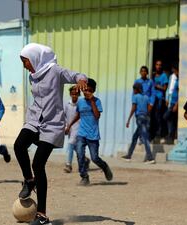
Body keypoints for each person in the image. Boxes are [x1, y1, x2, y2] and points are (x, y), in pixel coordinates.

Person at [14, 43, 87, 225]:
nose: (25, 66)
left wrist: (82, 79)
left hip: (52, 124)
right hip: (34, 120)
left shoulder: (55, 71)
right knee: (19, 145)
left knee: (38, 164)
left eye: (26, 61)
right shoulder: (33, 76)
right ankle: (29, 181)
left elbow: (75, 75)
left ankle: (42, 215)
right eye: (23, 62)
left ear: (36, 58)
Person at [67, 78, 113, 186]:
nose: (86, 92)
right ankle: (84, 177)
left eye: (89, 90)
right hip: (81, 133)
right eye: (85, 90)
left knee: (94, 158)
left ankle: (104, 167)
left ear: (93, 91)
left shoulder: (97, 101)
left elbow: (97, 116)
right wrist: (69, 125)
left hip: (93, 134)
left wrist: (92, 101)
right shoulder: (80, 102)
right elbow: (78, 114)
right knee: (79, 154)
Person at [121, 83, 155, 164]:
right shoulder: (146, 97)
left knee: (144, 138)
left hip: (140, 118)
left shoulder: (135, 97)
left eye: (134, 89)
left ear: (136, 89)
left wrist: (128, 119)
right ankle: (129, 155)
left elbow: (133, 108)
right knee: (135, 137)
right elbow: (149, 108)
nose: (133, 91)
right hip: (146, 118)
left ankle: (150, 158)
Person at [63, 86, 90, 173]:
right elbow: (64, 116)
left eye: (76, 94)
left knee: (70, 144)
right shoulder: (67, 104)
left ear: (78, 95)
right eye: (73, 94)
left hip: (79, 128)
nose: (74, 96)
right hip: (70, 128)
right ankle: (85, 159)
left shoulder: (81, 104)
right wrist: (66, 127)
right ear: (70, 94)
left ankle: (68, 165)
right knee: (76, 147)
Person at [151, 60, 168, 142]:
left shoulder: (164, 76)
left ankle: (160, 135)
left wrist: (156, 86)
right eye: (157, 64)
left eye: (160, 65)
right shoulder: (153, 75)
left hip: (160, 99)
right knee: (152, 117)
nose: (158, 66)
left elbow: (165, 88)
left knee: (159, 117)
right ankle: (153, 134)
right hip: (152, 98)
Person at [163, 63, 179, 144]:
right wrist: (166, 99)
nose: (174, 72)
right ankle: (170, 136)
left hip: (174, 102)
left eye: (175, 70)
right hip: (170, 101)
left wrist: (176, 104)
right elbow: (169, 89)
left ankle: (171, 134)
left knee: (166, 117)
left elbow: (180, 93)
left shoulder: (180, 79)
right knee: (171, 119)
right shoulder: (172, 77)